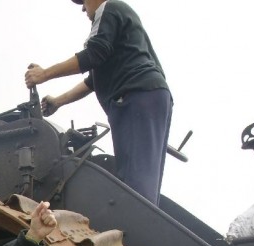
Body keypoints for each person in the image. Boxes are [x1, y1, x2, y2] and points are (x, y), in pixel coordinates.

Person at [24, 0, 172, 205]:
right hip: (148, 96)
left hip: (134, 96)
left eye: (83, 2)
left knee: (136, 183)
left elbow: (93, 54)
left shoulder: (108, 8)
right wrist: (58, 101)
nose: (84, 8)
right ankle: (141, 223)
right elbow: (92, 81)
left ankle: (134, 230)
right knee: (143, 178)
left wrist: (45, 74)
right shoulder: (120, 21)